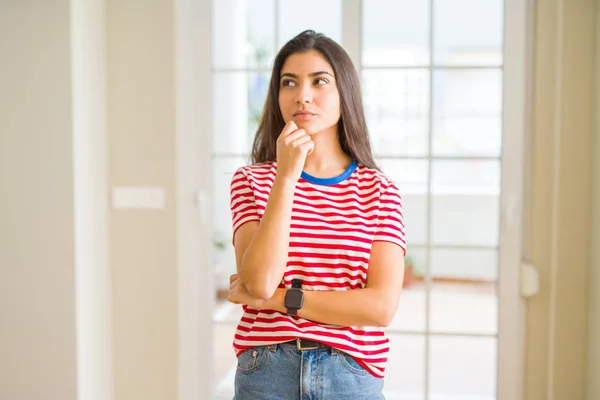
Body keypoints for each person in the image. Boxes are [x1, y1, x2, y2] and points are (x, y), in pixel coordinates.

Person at [227, 30, 406, 400]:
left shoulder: (380, 190)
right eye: (289, 82)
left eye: (319, 81)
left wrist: (281, 301)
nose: (302, 95)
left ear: (345, 94)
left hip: (351, 373)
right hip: (267, 371)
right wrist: (287, 176)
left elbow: (380, 307)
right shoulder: (252, 181)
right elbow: (259, 283)